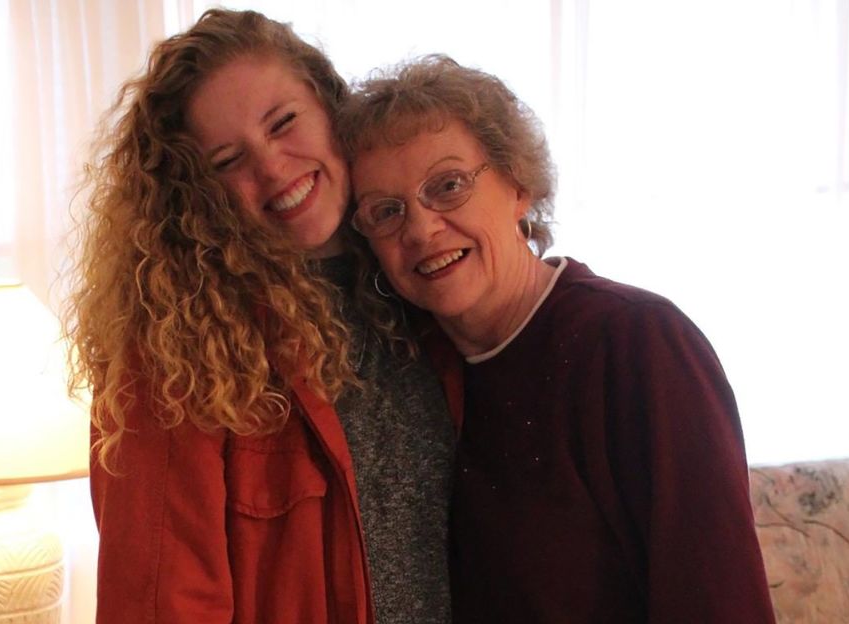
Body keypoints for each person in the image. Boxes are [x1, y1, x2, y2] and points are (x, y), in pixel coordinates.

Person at [337, 54, 776, 623]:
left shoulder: (636, 342)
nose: (420, 229)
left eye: (447, 186)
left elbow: (717, 601)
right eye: (387, 211)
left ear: (518, 184)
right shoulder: (412, 374)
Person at [65, 10, 454, 624]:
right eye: (227, 160)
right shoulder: (178, 350)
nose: (273, 167)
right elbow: (161, 605)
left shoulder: (424, 286)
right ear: (195, 191)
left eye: (284, 122)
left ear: (331, 107)